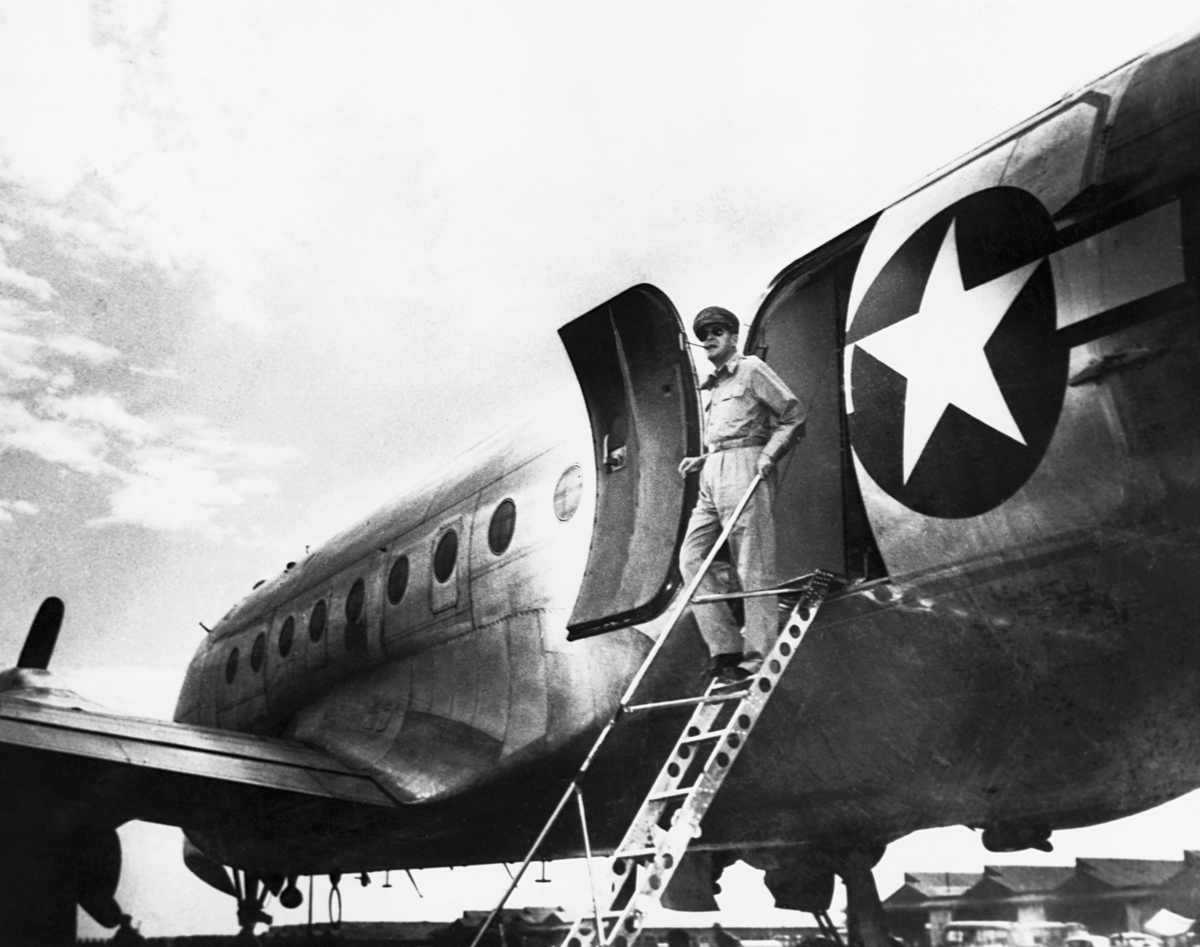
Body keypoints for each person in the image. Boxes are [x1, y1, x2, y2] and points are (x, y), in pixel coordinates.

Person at [678, 306, 803, 685]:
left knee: (752, 562)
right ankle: (725, 647)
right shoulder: (714, 384)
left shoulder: (751, 370)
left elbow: (793, 414)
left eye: (719, 331)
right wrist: (703, 460)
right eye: (705, 333)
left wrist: (767, 454)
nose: (710, 338)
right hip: (713, 472)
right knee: (692, 557)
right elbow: (728, 430)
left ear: (734, 336)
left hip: (745, 466)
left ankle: (757, 654)